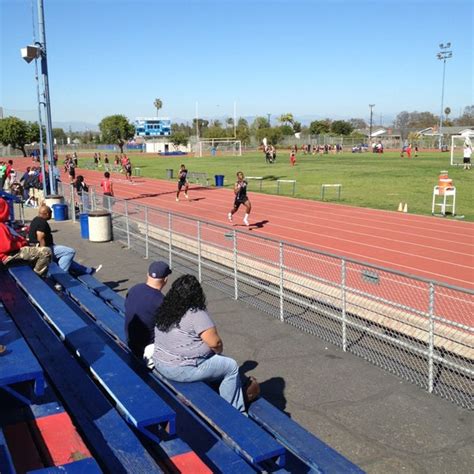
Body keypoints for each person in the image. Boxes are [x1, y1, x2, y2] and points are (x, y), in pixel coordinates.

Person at [153, 274, 245, 412]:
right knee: (230, 366)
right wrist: (216, 352)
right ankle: (236, 413)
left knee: (214, 362)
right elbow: (215, 343)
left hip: (159, 362)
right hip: (180, 369)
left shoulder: (166, 308)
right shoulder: (196, 313)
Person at [28, 204, 101, 276]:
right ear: (46, 213)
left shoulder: (35, 219)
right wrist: (43, 253)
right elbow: (40, 237)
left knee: (66, 258)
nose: (51, 214)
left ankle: (87, 271)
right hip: (44, 249)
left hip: (38, 248)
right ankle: (61, 276)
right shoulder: (42, 223)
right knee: (69, 252)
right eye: (51, 212)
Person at [125, 261, 171, 368]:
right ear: (166, 280)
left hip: (131, 341)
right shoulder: (161, 301)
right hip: (146, 348)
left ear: (147, 274)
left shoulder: (134, 289)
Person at [0, 198, 51, 276]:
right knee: (46, 251)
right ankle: (38, 276)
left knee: (33, 250)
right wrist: (22, 243)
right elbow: (6, 247)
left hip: (8, 254)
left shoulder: (3, 225)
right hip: (7, 256)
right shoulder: (1, 226)